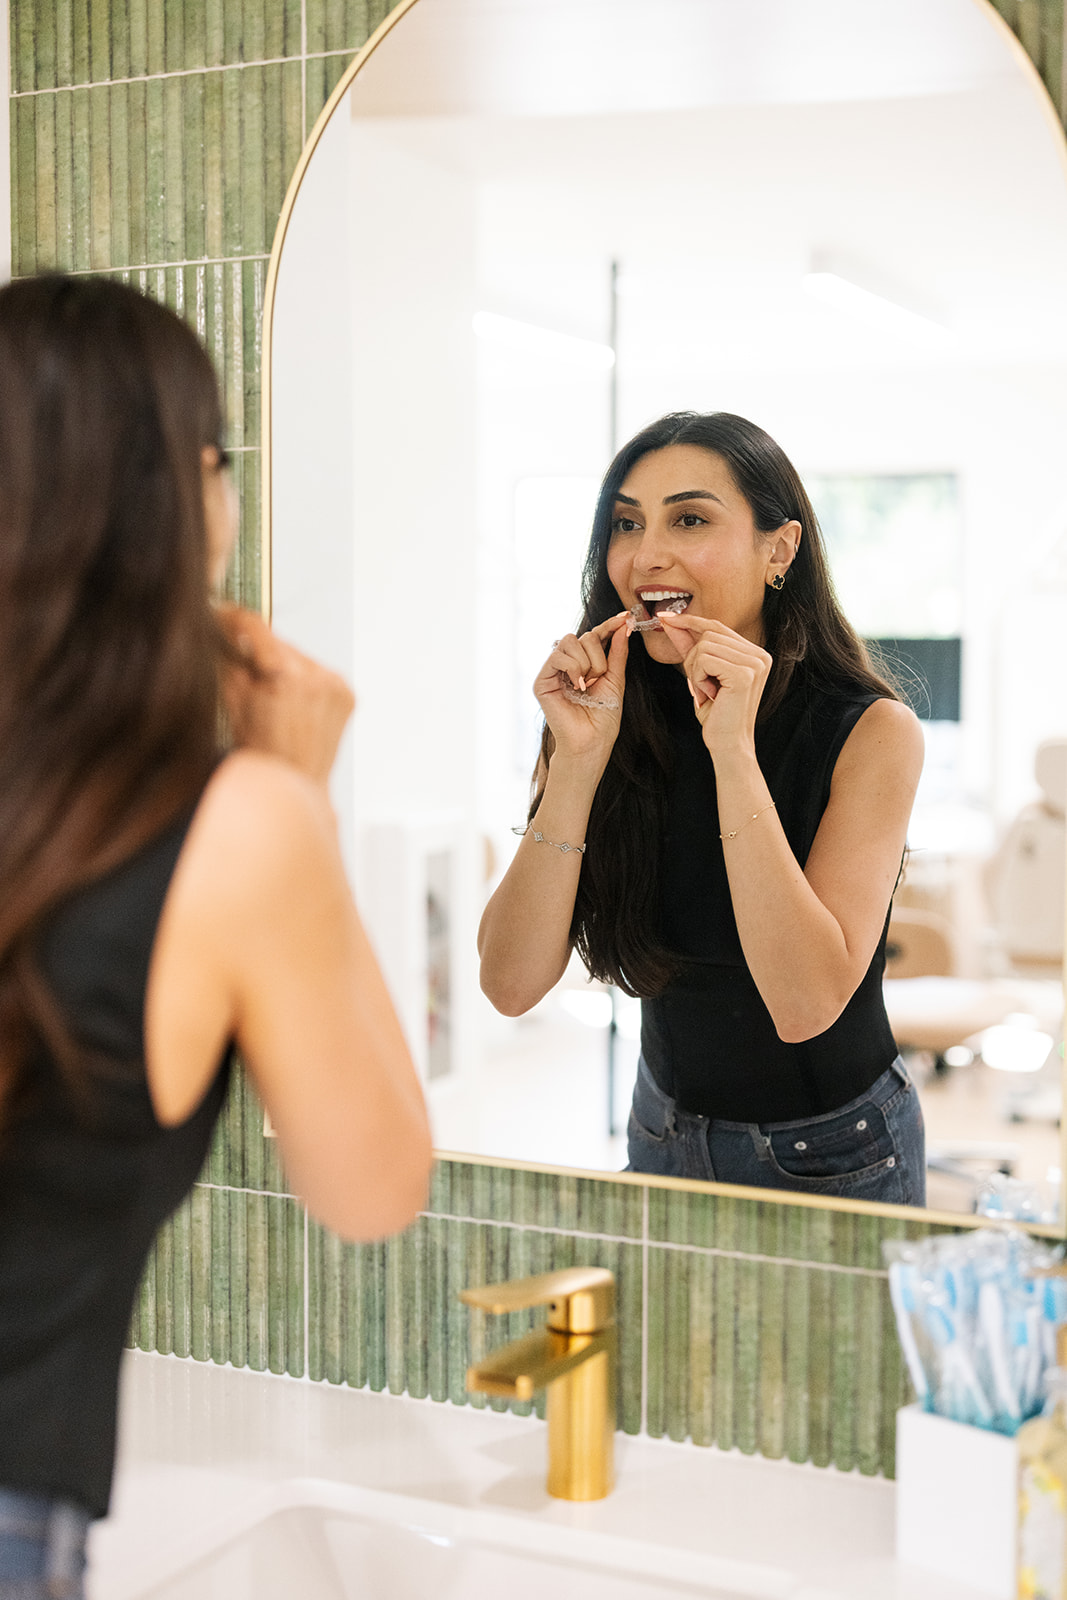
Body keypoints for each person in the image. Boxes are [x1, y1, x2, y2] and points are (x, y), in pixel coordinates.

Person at [0, 274, 433, 1598]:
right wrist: (294, 790)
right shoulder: (238, 829)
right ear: (180, 495)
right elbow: (371, 1189)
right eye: (217, 457)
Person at [479, 411, 925, 1207]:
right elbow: (509, 984)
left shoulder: (871, 732)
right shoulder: (600, 713)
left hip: (831, 1149)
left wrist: (731, 750)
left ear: (778, 550)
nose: (647, 555)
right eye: (626, 522)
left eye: (688, 518)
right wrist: (576, 765)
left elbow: (804, 1004)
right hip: (659, 1124)